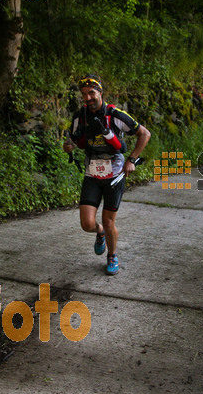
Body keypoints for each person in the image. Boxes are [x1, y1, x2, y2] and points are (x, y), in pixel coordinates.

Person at [63, 74, 151, 275]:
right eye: (84, 94)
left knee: (110, 220)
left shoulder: (116, 115)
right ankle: (99, 232)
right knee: (87, 224)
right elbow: (74, 142)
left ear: (100, 92)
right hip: (92, 174)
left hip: (115, 175)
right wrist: (68, 147)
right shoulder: (80, 117)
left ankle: (112, 256)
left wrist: (132, 159)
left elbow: (144, 134)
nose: (88, 98)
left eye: (91, 93)